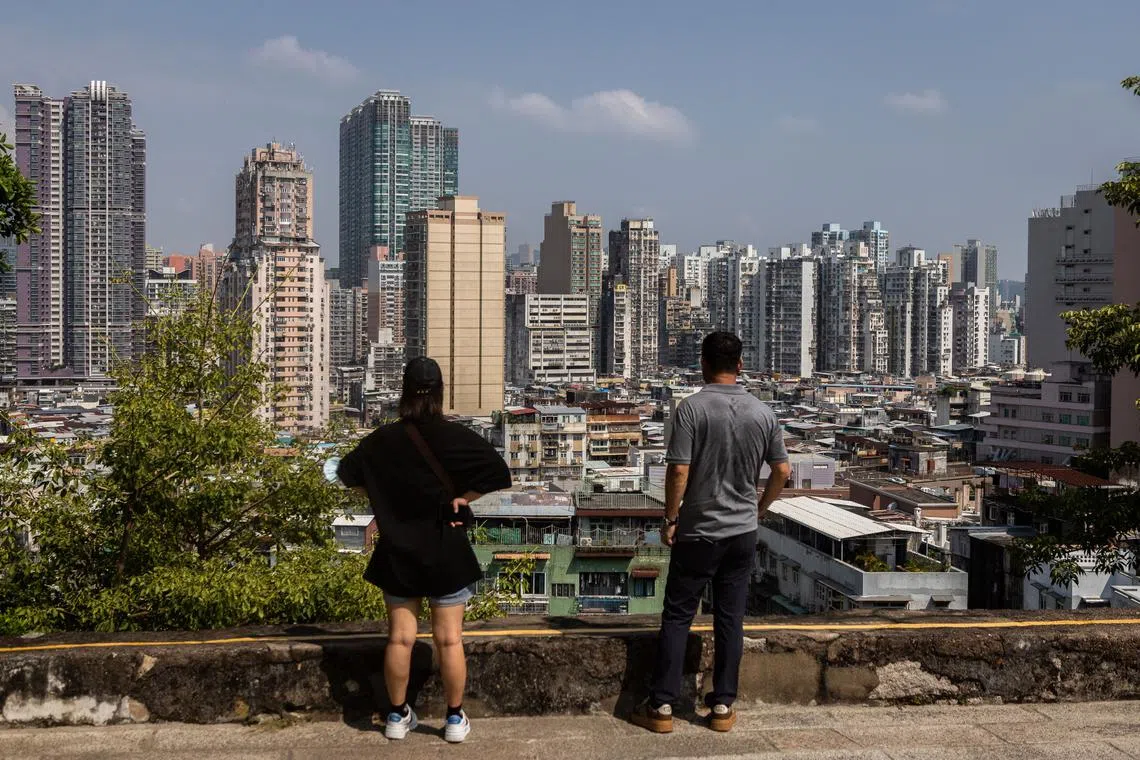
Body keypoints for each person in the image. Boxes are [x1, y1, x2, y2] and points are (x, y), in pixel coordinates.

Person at [337, 357, 511, 744]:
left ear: (403, 391)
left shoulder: (383, 439)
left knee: (400, 637)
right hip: (445, 547)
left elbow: (345, 473)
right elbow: (500, 473)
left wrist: (382, 501)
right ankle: (453, 719)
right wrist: (463, 498)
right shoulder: (455, 436)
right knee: (449, 639)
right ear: (439, 392)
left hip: (398, 549)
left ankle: (396, 716)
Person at [631, 331, 790, 734]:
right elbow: (783, 471)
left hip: (699, 531)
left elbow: (679, 469)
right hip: (741, 532)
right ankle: (722, 707)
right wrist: (759, 508)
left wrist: (670, 518)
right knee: (730, 619)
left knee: (679, 615)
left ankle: (662, 706)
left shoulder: (691, 409)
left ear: (702, 363)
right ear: (739, 365)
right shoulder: (763, 412)